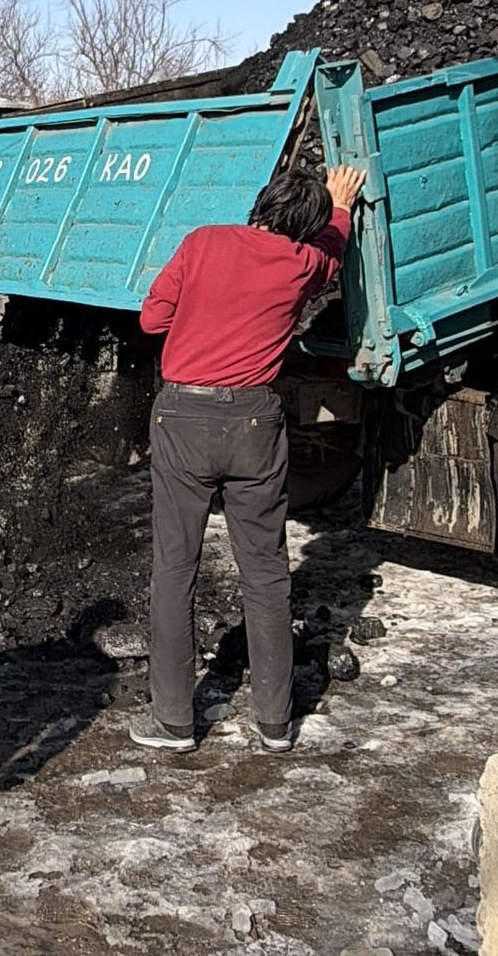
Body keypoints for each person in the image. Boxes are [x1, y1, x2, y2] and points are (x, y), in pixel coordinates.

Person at [130, 165, 367, 755]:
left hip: (184, 416)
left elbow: (152, 320)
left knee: (174, 568)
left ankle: (173, 723)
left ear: (262, 202)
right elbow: (334, 247)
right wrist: (340, 207)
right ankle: (275, 723)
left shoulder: (203, 242)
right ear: (307, 227)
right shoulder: (304, 264)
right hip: (256, 423)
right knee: (265, 572)